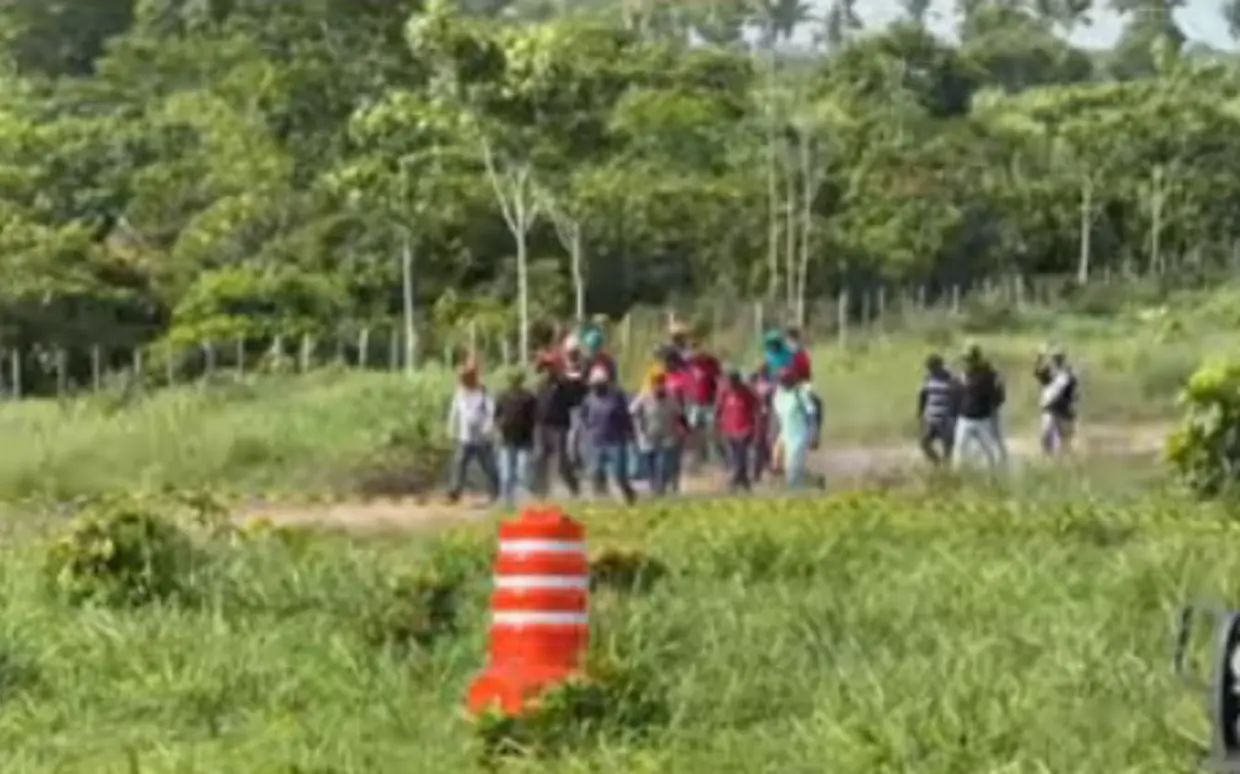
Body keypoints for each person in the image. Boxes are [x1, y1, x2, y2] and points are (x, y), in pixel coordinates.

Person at [580, 365, 637, 503]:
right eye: (595, 385)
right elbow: (584, 417)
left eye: (600, 384)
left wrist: (630, 433)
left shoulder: (616, 397)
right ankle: (602, 499)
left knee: (619, 475)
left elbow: (625, 416)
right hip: (597, 441)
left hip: (615, 441)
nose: (597, 388)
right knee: (596, 472)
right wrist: (589, 431)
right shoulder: (588, 400)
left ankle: (629, 495)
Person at [445, 362, 500, 504]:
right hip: (465, 436)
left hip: (482, 437)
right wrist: (451, 428)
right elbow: (454, 411)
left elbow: (490, 411)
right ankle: (454, 493)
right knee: (459, 465)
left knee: (489, 466)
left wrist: (488, 427)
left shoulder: (483, 392)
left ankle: (496, 492)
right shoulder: (460, 393)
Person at [952, 343, 1008, 471]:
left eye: (969, 359)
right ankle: (956, 475)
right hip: (966, 418)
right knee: (960, 450)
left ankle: (994, 474)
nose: (967, 362)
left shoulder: (986, 375)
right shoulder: (964, 376)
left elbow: (997, 396)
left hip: (982, 419)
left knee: (988, 451)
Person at [532, 356, 583, 497]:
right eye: (544, 368)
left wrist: (572, 381)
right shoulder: (540, 385)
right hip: (541, 426)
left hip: (559, 427)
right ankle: (542, 492)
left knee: (561, 462)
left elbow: (575, 400)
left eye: (549, 367)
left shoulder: (563, 384)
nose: (546, 370)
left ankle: (574, 487)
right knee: (539, 458)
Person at [629, 371, 686, 495]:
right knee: (650, 464)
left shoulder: (670, 398)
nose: (659, 386)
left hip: (666, 435)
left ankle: (661, 487)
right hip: (648, 435)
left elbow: (680, 414)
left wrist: (684, 428)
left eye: (661, 382)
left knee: (663, 463)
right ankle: (654, 485)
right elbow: (632, 412)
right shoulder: (644, 397)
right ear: (652, 384)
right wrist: (639, 425)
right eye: (657, 383)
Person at [771, 366, 821, 489]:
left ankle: (796, 490)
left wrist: (814, 434)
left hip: (799, 434)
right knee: (777, 463)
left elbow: (812, 414)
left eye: (785, 380)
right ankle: (815, 482)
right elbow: (778, 416)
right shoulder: (779, 395)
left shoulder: (801, 394)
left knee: (792, 466)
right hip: (785, 433)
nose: (783, 383)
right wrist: (774, 433)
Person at [494, 370, 538, 508]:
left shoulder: (529, 397)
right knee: (507, 475)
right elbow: (496, 416)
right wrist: (499, 429)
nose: (514, 382)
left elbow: (534, 418)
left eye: (516, 379)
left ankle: (522, 503)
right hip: (506, 441)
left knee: (522, 473)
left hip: (524, 440)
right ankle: (507, 503)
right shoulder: (502, 396)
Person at [716, 367, 761, 492]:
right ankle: (744, 483)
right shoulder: (725, 393)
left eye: (732, 382)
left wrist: (756, 430)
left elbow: (757, 410)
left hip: (745, 429)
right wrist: (719, 427)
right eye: (728, 382)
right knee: (735, 456)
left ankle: (734, 482)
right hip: (730, 430)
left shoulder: (747, 392)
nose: (730, 385)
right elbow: (719, 410)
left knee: (741, 457)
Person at [685, 339, 723, 468]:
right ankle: (697, 457)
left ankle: (715, 457)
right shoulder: (689, 365)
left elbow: (719, 377)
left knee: (712, 430)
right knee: (693, 430)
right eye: (692, 349)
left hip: (708, 403)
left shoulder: (709, 365)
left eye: (696, 349)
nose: (694, 353)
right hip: (694, 403)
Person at [917, 353, 959, 465]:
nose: (930, 370)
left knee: (947, 447)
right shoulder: (928, 378)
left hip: (946, 418)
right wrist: (920, 413)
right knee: (924, 443)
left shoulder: (950, 378)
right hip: (931, 418)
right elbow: (923, 395)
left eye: (932, 368)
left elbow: (957, 396)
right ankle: (937, 463)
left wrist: (955, 415)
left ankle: (946, 469)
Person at [1036, 345, 1077, 455]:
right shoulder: (1051, 372)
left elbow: (1069, 391)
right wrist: (1039, 358)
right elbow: (1038, 374)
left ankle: (1060, 457)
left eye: (1058, 358)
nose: (1056, 360)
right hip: (1052, 408)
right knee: (1047, 434)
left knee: (1062, 437)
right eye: (1054, 358)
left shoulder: (1066, 373)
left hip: (1060, 408)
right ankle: (1048, 456)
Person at [748, 365, 776, 483]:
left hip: (761, 420)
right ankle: (762, 470)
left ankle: (759, 472)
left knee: (760, 446)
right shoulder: (765, 388)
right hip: (759, 420)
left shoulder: (764, 388)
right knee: (761, 446)